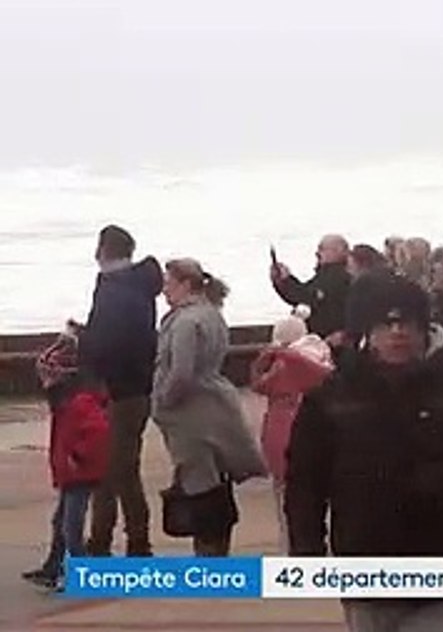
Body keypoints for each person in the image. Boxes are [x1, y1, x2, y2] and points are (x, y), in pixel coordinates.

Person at [287, 273, 443, 632]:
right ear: (366, 331)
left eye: (406, 321)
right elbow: (305, 478)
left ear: (425, 326)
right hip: (366, 568)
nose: (397, 332)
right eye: (385, 323)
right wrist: (306, 547)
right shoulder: (333, 396)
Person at [153, 259, 267, 557]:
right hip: (215, 404)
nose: (164, 290)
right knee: (217, 479)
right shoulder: (212, 315)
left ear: (185, 284)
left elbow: (181, 371)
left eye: (169, 283)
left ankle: (208, 554)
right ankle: (217, 548)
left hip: (191, 413)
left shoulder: (186, 322)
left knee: (200, 483)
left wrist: (163, 400)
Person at [78, 225, 162, 558]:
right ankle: (115, 540)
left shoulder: (115, 290)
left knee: (115, 470)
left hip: (119, 391)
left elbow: (111, 342)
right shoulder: (136, 287)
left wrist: (83, 341)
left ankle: (123, 543)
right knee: (118, 468)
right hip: (135, 388)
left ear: (103, 250)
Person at [23, 329, 110, 591]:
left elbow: (98, 433)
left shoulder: (79, 403)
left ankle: (84, 573)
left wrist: (78, 456)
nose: (45, 384)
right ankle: (53, 567)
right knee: (60, 523)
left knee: (71, 528)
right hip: (71, 473)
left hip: (80, 472)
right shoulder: (66, 403)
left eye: (49, 378)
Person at [249, 305, 334, 553]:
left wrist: (264, 359)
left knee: (285, 495)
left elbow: (259, 385)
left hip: (283, 431)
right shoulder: (321, 354)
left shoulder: (284, 364)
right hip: (319, 436)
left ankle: (290, 547)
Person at [271, 234, 352, 343]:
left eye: (321, 248)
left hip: (329, 338)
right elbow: (305, 295)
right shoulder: (329, 274)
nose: (317, 253)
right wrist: (285, 281)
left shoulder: (335, 275)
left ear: (338, 250)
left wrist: (286, 281)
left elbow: (305, 296)